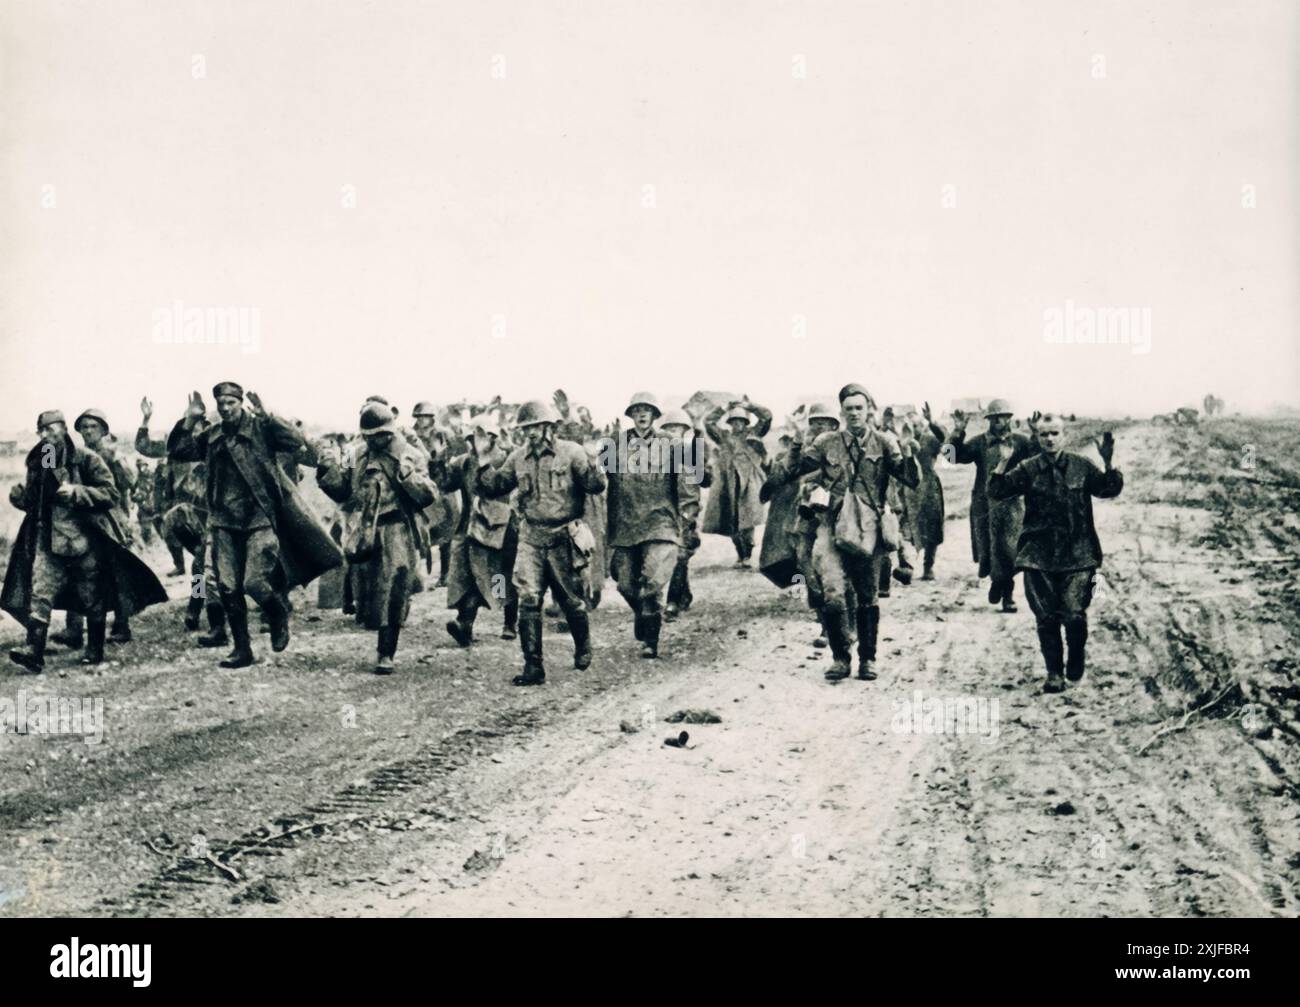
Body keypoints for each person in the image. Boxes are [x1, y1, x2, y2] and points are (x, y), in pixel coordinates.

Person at [168, 383, 341, 668]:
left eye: (231, 403)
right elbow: (179, 450)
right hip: (221, 521)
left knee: (254, 581)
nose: (225, 408)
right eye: (221, 404)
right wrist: (189, 419)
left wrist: (268, 415)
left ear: (240, 403)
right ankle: (239, 646)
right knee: (224, 585)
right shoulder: (212, 436)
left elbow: (297, 442)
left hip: (258, 518)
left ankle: (277, 613)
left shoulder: (261, 429)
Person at [774, 384, 919, 683]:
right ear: (841, 412)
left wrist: (908, 451)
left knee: (867, 596)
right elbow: (797, 470)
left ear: (868, 411)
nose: (854, 413)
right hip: (831, 524)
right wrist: (799, 442)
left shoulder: (884, 442)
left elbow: (909, 479)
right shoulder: (827, 442)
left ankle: (868, 659)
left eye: (859, 408)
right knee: (832, 591)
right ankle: (841, 657)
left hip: (868, 527)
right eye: (848, 408)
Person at [3, 411, 167, 670]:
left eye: (51, 430)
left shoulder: (85, 459)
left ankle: (95, 648)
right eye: (41, 431)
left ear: (64, 430)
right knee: (40, 590)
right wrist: (21, 499)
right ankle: (34, 651)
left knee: (91, 594)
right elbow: (38, 501)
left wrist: (78, 492)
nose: (46, 436)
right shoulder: (39, 462)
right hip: (48, 539)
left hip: (84, 539)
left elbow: (110, 493)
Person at [988, 416, 1123, 693]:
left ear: (1065, 435)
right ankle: (1053, 673)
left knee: (1074, 614)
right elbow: (997, 490)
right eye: (1043, 434)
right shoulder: (1028, 468)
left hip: (1078, 554)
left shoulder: (1081, 466)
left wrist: (1109, 463)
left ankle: (1076, 655)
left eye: (1055, 433)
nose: (1049, 439)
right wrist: (1003, 462)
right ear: (1037, 437)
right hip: (1038, 554)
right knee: (1046, 617)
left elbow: (1108, 489)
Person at [477, 400, 607, 686]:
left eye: (536, 427)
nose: (531, 433)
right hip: (531, 537)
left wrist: (595, 465)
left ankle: (583, 647)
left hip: (563, 537)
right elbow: (495, 486)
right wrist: (483, 459)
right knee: (529, 600)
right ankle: (533, 666)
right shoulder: (518, 458)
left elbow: (595, 486)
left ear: (549, 427)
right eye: (526, 428)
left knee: (571, 600)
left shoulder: (571, 452)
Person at [316, 403, 437, 674]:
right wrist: (327, 470)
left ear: (389, 433)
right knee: (371, 590)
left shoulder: (411, 455)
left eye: (377, 436)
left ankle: (386, 652)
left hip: (398, 527)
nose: (372, 442)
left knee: (395, 587)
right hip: (366, 529)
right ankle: (371, 623)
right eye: (367, 437)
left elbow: (429, 495)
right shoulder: (358, 454)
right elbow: (344, 491)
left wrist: (407, 476)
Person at [606, 393, 700, 658]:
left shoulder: (670, 444)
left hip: (660, 522)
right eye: (637, 410)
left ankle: (651, 640)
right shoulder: (616, 443)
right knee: (625, 585)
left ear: (655, 415)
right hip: (626, 524)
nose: (642, 414)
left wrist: (687, 515)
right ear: (630, 415)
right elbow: (603, 483)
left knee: (652, 583)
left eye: (647, 410)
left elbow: (694, 477)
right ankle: (643, 615)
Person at [138, 394, 226, 643]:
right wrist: (146, 420)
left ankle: (198, 610)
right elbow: (146, 447)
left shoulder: (212, 444)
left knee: (203, 565)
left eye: (201, 424)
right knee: (202, 564)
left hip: (211, 514)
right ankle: (200, 609)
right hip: (183, 517)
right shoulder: (178, 447)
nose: (198, 431)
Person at [51, 410, 139, 648]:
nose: (88, 431)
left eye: (93, 426)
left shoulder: (113, 455)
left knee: (115, 573)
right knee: (77, 572)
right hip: (84, 521)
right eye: (84, 427)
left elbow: (127, 486)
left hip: (112, 519)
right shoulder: (76, 456)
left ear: (103, 430)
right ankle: (74, 630)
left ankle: (122, 625)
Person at [433, 412, 520, 646]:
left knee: (502, 577)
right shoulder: (464, 462)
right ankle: (465, 624)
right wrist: (438, 459)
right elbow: (444, 483)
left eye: (480, 438)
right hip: (469, 529)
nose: (474, 443)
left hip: (500, 530)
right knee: (465, 578)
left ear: (492, 438)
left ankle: (510, 620)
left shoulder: (505, 459)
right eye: (471, 439)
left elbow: (497, 487)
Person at [946, 398, 1037, 613]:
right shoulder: (979, 442)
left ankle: (1007, 594)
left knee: (1009, 549)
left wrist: (1035, 434)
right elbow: (950, 458)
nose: (998, 421)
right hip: (983, 503)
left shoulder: (1021, 442)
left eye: (1003, 416)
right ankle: (997, 581)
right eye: (994, 417)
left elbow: (1037, 458)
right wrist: (957, 433)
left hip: (1012, 504)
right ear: (988, 420)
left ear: (1009, 419)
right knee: (988, 548)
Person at [702, 396, 772, 566]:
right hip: (728, 483)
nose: (737, 424)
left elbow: (767, 416)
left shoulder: (754, 434)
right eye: (734, 421)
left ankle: (747, 555)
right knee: (731, 521)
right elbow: (708, 422)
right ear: (730, 423)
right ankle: (740, 555)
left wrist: (750, 406)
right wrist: (724, 407)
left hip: (749, 482)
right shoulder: (723, 436)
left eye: (741, 421)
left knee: (747, 521)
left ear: (746, 422)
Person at [659, 407, 707, 621]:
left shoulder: (690, 453)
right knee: (673, 555)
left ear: (684, 430)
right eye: (669, 429)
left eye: (677, 428)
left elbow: (704, 478)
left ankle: (672, 602)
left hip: (686, 510)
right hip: (665, 510)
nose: (672, 432)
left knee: (680, 554)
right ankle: (684, 594)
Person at [906, 402, 948, 580]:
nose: (914, 429)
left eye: (917, 425)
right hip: (908, 488)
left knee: (932, 524)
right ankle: (906, 566)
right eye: (910, 426)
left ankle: (928, 565)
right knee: (907, 526)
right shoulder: (902, 442)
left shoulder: (929, 440)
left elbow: (947, 443)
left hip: (929, 486)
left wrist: (932, 422)